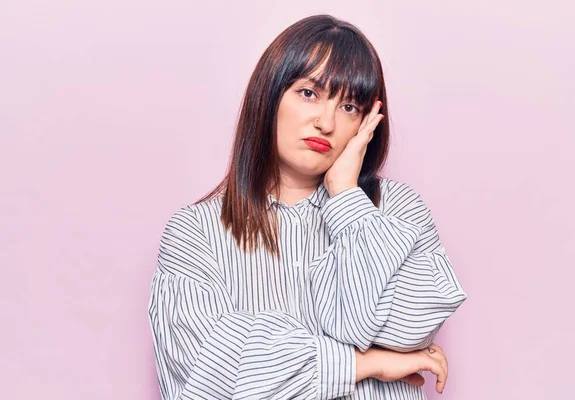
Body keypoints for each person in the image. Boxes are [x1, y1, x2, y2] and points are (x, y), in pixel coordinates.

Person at [148, 14, 467, 400]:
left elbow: (409, 329)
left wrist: (348, 200)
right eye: (309, 93)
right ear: (269, 97)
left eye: (349, 106)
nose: (326, 122)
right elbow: (210, 368)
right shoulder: (194, 232)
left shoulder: (397, 210)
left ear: (368, 122)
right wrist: (365, 364)